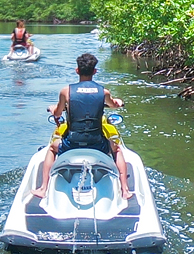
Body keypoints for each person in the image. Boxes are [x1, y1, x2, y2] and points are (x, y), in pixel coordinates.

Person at [33, 53, 131, 200]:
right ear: (95, 71)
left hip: (72, 144)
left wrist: (53, 108)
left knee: (52, 148)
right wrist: (118, 102)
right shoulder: (104, 92)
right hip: (97, 145)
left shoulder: (66, 92)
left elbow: (58, 113)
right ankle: (125, 190)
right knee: (117, 149)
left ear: (77, 70)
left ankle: (43, 188)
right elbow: (114, 105)